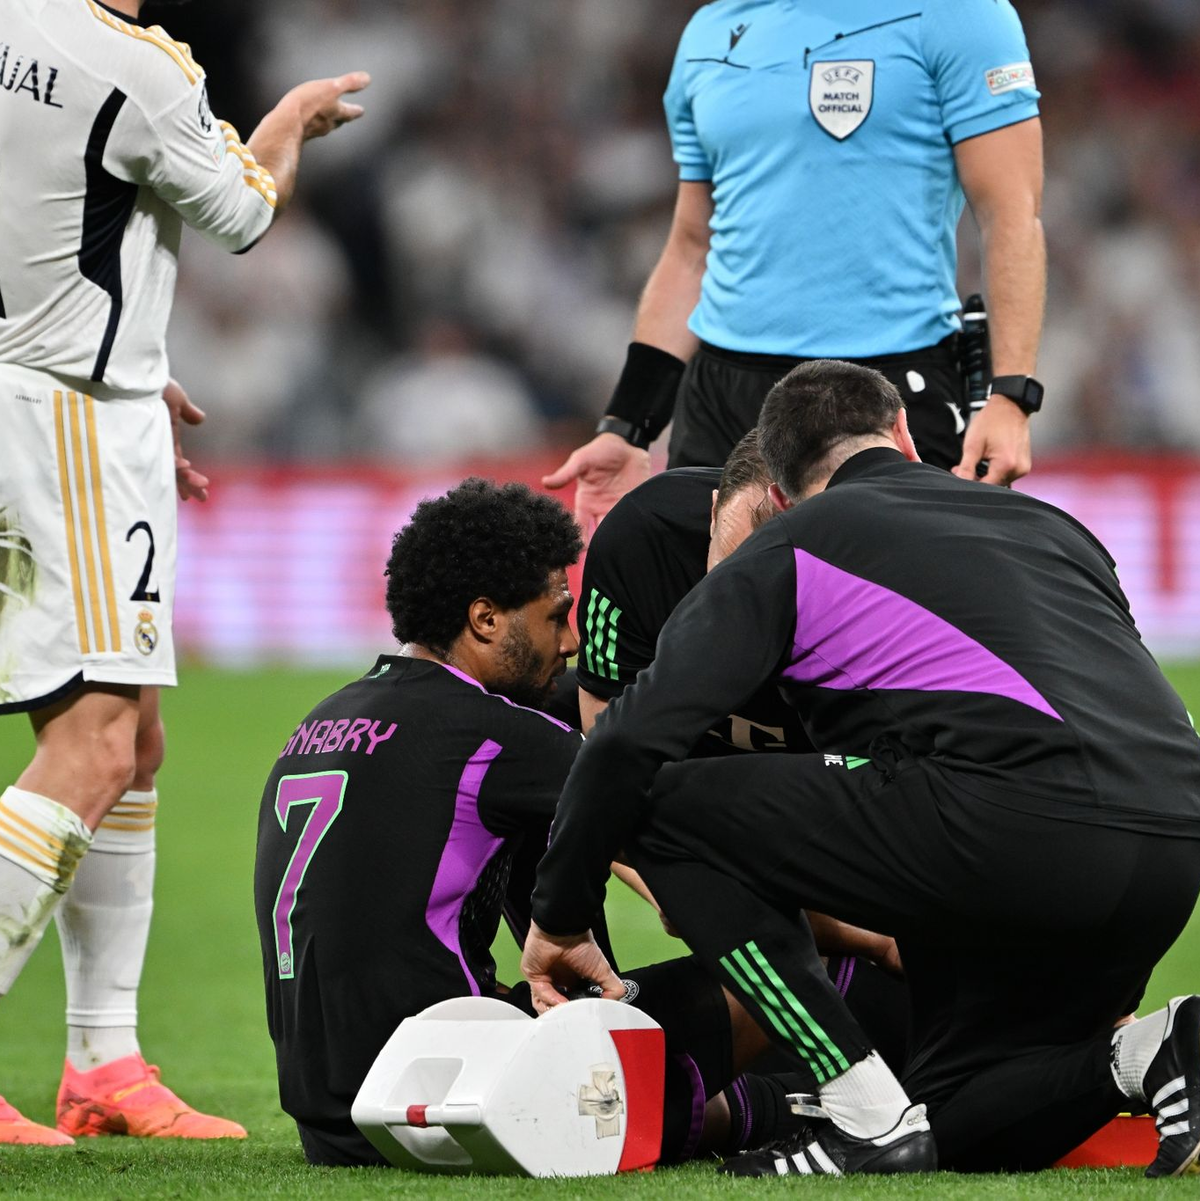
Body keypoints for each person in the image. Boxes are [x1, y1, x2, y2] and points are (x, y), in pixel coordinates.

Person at [522, 360, 1200, 1177]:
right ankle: (1158, 1049)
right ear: (906, 435)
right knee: (954, 1118)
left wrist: (559, 916)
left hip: (1009, 827)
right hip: (1171, 844)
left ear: (774, 487)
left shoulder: (792, 541)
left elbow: (624, 744)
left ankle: (860, 1109)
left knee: (656, 803)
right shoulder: (1056, 527)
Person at [0, 0, 369, 1144]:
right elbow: (242, 212)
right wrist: (289, 121)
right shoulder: (136, 64)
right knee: (98, 739)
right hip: (64, 417)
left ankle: (103, 1058)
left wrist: (122, 357)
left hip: (47, 390)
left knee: (133, 736)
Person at [252, 479, 784, 1167]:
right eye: (555, 615)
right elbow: (689, 841)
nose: (571, 639)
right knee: (783, 950)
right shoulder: (496, 736)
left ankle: (715, 1106)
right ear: (485, 619)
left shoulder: (320, 719)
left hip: (332, 1118)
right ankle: (797, 1109)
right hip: (459, 1096)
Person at [545, 0, 1046, 537]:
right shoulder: (711, 32)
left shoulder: (960, 15)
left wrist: (1011, 396)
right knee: (716, 617)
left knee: (887, 613)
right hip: (722, 398)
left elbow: (1011, 216)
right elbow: (692, 246)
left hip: (886, 390)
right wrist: (627, 426)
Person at [579, 431, 910, 1073]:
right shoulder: (640, 538)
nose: (738, 602)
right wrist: (674, 884)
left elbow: (913, 803)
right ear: (709, 513)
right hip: (686, 795)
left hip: (827, 797)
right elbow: (598, 750)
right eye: (728, 566)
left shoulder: (887, 576)